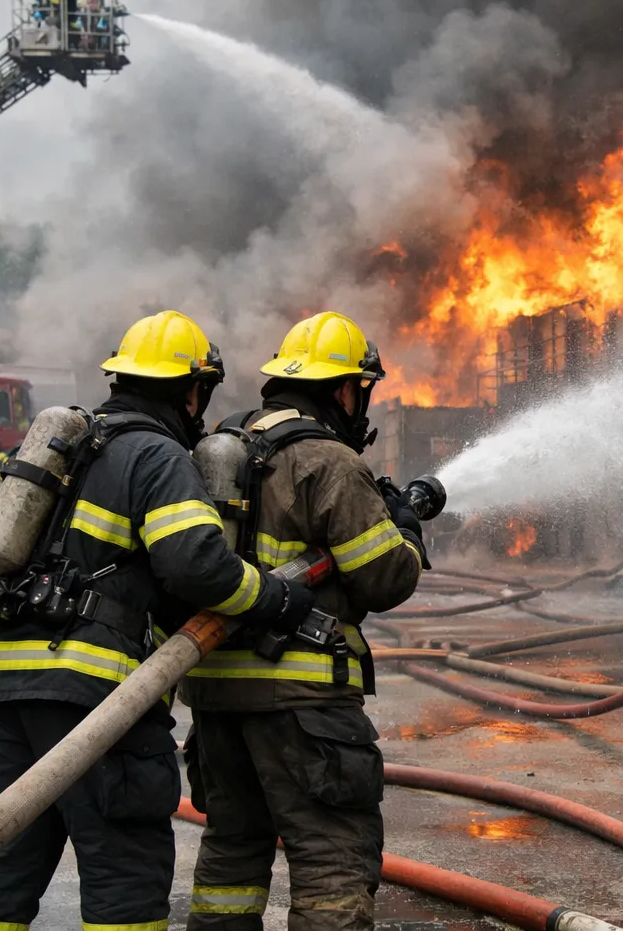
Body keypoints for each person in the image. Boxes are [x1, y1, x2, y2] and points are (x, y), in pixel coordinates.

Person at [0, 310, 316, 931]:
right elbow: (197, 566)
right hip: (97, 700)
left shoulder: (69, 445)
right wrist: (273, 597)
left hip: (5, 689)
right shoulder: (156, 455)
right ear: (193, 388)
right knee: (125, 877)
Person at [181, 311, 426, 931]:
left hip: (215, 701)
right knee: (331, 862)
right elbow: (384, 578)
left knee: (231, 856)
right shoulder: (328, 460)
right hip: (304, 702)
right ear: (344, 387)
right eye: (360, 388)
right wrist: (406, 532)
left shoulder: (222, 447)